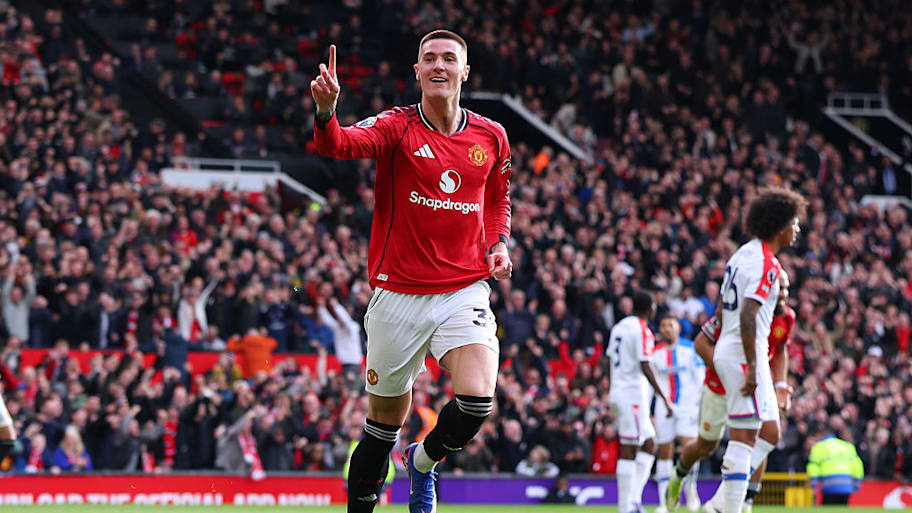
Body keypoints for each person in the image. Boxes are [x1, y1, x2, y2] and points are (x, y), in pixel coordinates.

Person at [311, 29, 513, 513]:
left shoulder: (491, 136)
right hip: (398, 296)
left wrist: (498, 244)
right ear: (417, 71)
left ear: (465, 71)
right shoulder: (397, 127)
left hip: (464, 289)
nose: (439, 66)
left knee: (478, 400)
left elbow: (497, 200)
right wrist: (326, 112)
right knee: (381, 428)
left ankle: (422, 461)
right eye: (429, 59)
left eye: (449, 59)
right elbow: (338, 145)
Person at [679, 187, 805, 513]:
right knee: (743, 440)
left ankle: (721, 503)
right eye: (794, 223)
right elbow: (748, 313)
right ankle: (725, 508)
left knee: (763, 434)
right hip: (743, 354)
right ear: (780, 226)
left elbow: (726, 308)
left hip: (732, 350)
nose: (797, 229)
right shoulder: (768, 265)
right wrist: (751, 365)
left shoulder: (741, 255)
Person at [607, 290, 674, 513]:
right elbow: (646, 366)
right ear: (649, 308)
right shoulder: (642, 330)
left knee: (649, 443)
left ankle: (634, 500)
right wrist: (664, 397)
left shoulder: (619, 327)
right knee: (630, 446)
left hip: (621, 391)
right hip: (632, 394)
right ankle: (625, 507)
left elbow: (608, 360)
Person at [652, 314, 705, 513]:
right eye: (663, 325)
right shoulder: (655, 353)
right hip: (663, 407)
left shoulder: (690, 349)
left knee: (690, 448)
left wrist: (699, 405)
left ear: (678, 328)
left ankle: (691, 491)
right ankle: (664, 502)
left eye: (670, 325)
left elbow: (700, 378)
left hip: (688, 406)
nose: (667, 329)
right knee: (664, 451)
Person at [806, 431, 864, 505]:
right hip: (846, 485)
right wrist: (857, 483)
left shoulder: (819, 446)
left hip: (829, 485)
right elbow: (857, 465)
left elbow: (813, 466)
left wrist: (813, 484)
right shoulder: (847, 446)